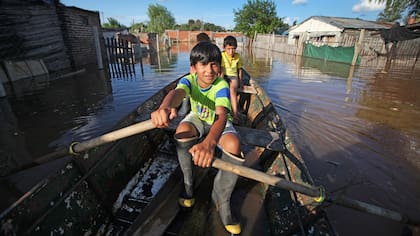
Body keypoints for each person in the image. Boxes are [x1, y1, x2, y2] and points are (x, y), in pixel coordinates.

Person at [151, 42, 244, 234]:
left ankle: (222, 198)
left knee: (234, 144)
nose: (209, 70)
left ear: (219, 67)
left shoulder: (221, 85)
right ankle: (189, 184)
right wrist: (166, 107)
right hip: (199, 118)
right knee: (182, 131)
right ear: (193, 68)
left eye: (214, 64)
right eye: (203, 65)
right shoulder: (189, 80)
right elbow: (177, 93)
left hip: (218, 122)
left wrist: (209, 143)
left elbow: (221, 117)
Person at [220, 35, 243, 124]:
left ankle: (235, 114)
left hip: (233, 76)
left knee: (233, 90)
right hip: (224, 75)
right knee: (223, 90)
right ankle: (222, 112)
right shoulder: (222, 55)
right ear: (224, 47)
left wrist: (240, 81)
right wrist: (220, 81)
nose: (231, 51)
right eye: (229, 49)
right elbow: (221, 69)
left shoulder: (238, 56)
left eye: (233, 49)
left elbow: (239, 69)